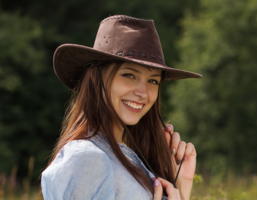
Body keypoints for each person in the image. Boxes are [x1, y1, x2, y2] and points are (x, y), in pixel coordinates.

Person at [41, 14, 202, 200]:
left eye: (153, 81)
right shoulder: (87, 159)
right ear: (97, 79)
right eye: (129, 75)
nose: (143, 92)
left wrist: (182, 185)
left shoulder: (130, 159)